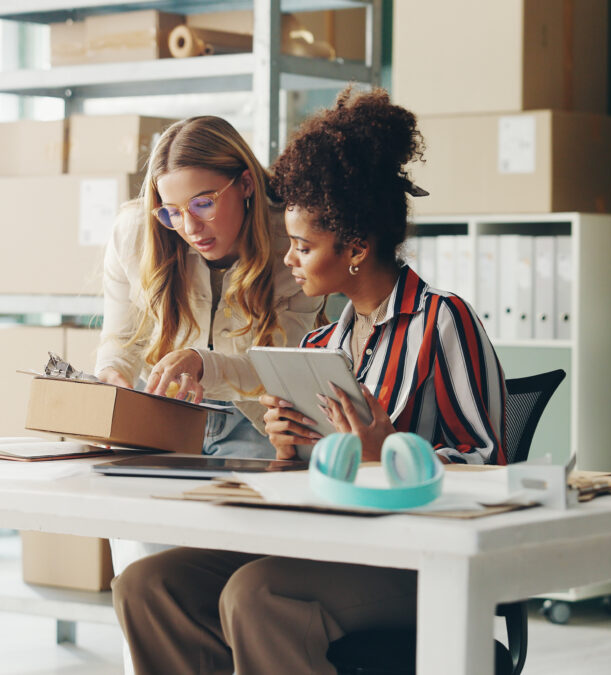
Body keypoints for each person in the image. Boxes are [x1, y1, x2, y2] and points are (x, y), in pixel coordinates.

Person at [112, 88, 507, 675]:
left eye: (301, 246)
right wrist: (289, 448)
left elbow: (490, 470)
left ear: (354, 248)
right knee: (149, 584)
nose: (289, 261)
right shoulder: (322, 346)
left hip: (418, 556)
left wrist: (388, 451)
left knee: (259, 594)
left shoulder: (442, 320)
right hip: (333, 542)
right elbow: (315, 475)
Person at [95, 115, 324, 459]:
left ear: (245, 184)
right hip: (163, 408)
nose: (189, 227)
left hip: (256, 420)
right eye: (172, 212)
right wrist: (112, 374)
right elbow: (120, 338)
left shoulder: (294, 244)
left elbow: (279, 369)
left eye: (203, 204)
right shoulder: (134, 233)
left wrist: (202, 363)